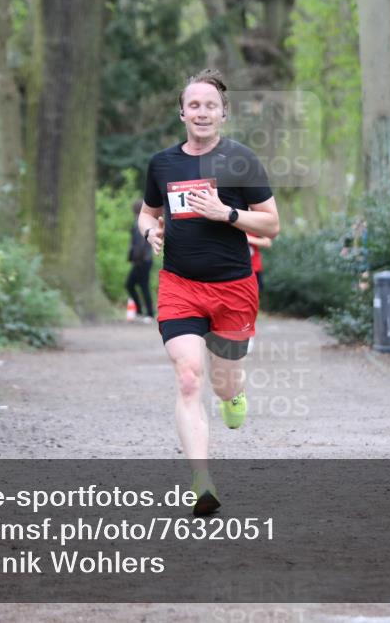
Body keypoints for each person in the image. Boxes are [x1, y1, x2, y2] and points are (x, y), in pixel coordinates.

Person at [137, 68, 279, 516]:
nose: (202, 112)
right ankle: (202, 481)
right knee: (187, 376)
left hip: (234, 289)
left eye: (210, 105)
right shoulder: (162, 164)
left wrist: (227, 213)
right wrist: (149, 235)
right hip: (179, 285)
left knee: (224, 381)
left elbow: (271, 223)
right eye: (194, 105)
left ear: (223, 113)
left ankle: (234, 394)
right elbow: (147, 213)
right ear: (182, 112)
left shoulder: (242, 160)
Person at [125, 200, 155, 322]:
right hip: (144, 260)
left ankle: (149, 314)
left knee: (141, 286)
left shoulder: (139, 223)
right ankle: (141, 311)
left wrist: (134, 258)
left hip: (142, 261)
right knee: (132, 285)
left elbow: (139, 244)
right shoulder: (142, 222)